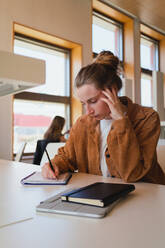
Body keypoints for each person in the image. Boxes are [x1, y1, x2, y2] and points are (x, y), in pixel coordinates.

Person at [42, 50, 165, 185]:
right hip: (100, 197)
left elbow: (132, 173)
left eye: (93, 101)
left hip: (147, 197)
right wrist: (54, 164)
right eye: (83, 103)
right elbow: (67, 157)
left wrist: (121, 121)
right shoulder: (82, 123)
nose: (88, 111)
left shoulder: (147, 118)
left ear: (112, 91)